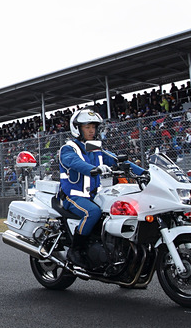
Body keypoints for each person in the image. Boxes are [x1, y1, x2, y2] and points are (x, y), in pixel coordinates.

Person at [59, 109, 146, 268]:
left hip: (94, 196)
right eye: (87, 127)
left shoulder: (94, 147)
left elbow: (116, 161)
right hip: (73, 196)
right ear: (77, 128)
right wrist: (94, 169)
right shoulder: (68, 148)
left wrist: (144, 173)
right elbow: (75, 163)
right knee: (92, 212)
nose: (91, 130)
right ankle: (75, 250)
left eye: (93, 127)